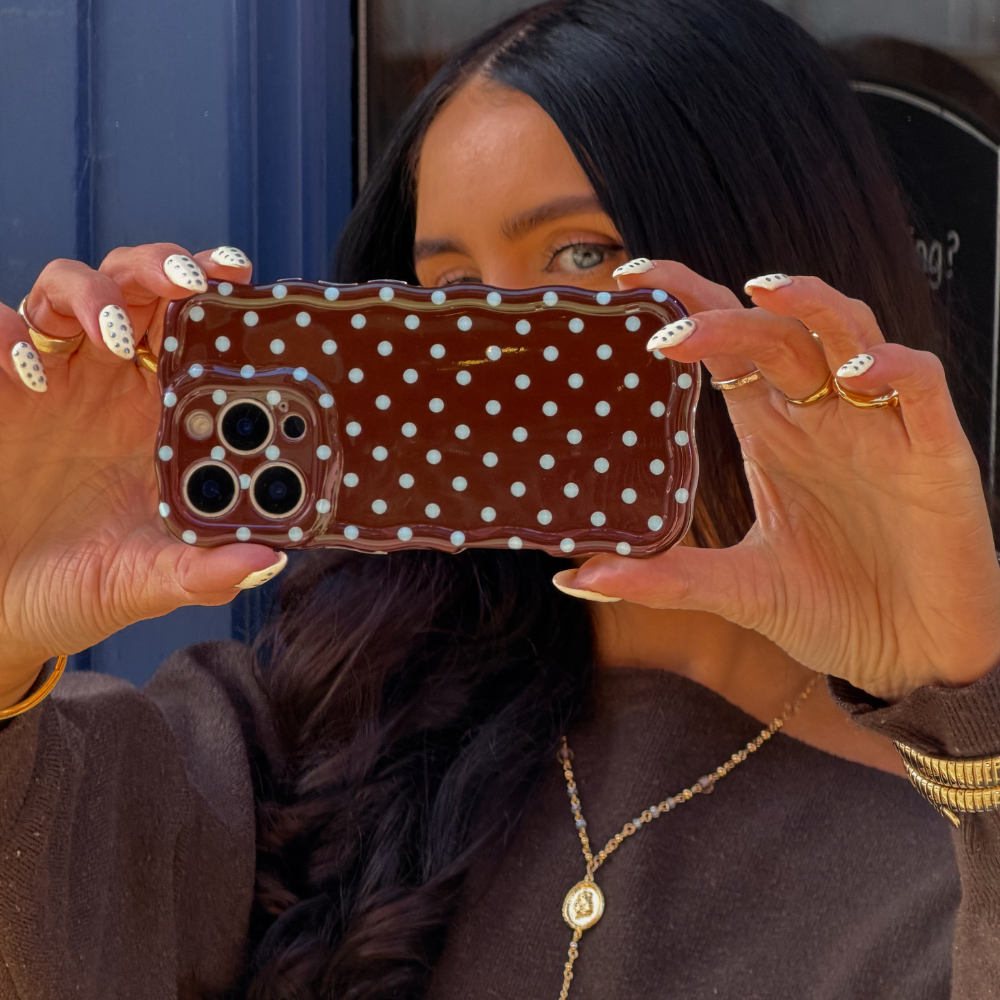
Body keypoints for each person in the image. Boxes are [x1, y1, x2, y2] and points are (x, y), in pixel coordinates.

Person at [2, 0, 999, 997]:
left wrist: (968, 719)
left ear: (767, 248)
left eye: (580, 257)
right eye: (451, 285)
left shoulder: (959, 833)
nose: (490, 345)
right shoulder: (308, 732)